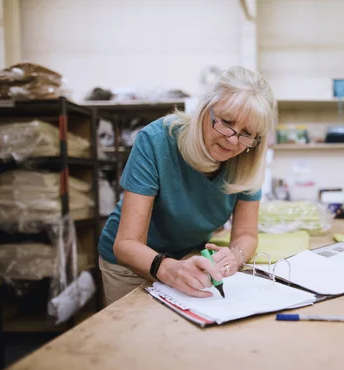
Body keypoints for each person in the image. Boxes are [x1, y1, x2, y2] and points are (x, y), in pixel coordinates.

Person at [97, 66, 275, 305]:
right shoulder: (157, 140)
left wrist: (235, 256)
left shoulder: (247, 159)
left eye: (247, 133)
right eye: (226, 122)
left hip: (188, 258)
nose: (233, 140)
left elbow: (245, 234)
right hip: (130, 265)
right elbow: (126, 245)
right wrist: (169, 269)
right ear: (204, 110)